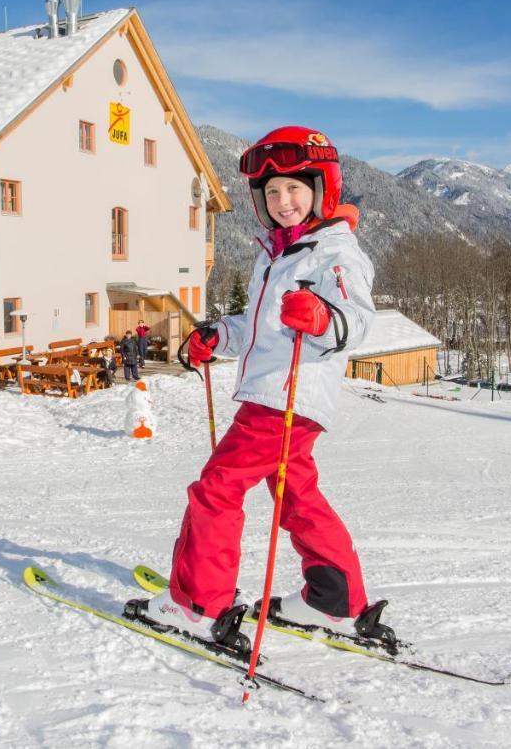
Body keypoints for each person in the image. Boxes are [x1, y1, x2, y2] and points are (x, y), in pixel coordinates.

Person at [131, 126, 390, 650]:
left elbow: (357, 322)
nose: (282, 202)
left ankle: (198, 605)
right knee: (296, 494)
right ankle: (333, 601)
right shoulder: (277, 255)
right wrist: (218, 334)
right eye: (271, 193)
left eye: (294, 188)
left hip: (286, 398)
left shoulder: (333, 253)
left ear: (322, 188)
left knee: (216, 490)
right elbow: (260, 326)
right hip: (278, 395)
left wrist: (322, 318)